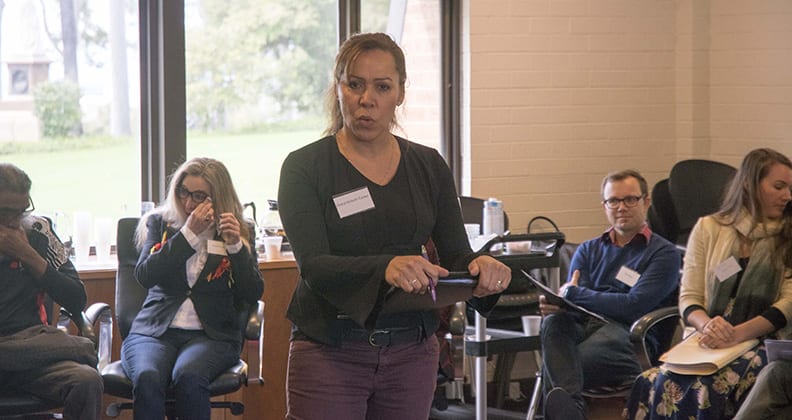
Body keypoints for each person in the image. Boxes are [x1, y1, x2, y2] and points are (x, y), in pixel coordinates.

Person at [278, 32, 511, 420]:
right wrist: (386, 266)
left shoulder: (429, 165)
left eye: (382, 87)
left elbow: (456, 252)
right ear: (338, 88)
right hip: (331, 350)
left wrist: (481, 266)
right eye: (355, 84)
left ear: (400, 93)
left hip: (412, 353)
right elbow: (314, 266)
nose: (367, 99)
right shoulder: (305, 167)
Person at [627, 148, 792, 420]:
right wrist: (708, 324)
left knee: (710, 383)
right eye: (778, 186)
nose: (787, 196)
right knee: (656, 379)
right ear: (750, 185)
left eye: (789, 188)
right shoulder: (709, 228)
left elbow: (787, 304)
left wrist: (738, 333)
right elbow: (689, 296)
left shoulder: (786, 235)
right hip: (708, 337)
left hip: (762, 338)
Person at [121, 157, 264, 420]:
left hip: (212, 335)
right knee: (147, 376)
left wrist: (235, 248)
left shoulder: (238, 229)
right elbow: (144, 275)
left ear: (218, 198)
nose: (188, 203)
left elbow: (252, 293)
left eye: (199, 196)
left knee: (189, 376)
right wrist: (188, 234)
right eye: (183, 192)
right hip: (154, 331)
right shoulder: (161, 224)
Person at [539, 169, 680, 420]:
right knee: (553, 324)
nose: (621, 207)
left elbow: (633, 307)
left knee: (563, 362)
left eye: (630, 199)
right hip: (584, 327)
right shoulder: (588, 250)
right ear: (604, 206)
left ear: (646, 202)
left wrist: (575, 294)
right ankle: (573, 411)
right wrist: (559, 305)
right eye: (613, 201)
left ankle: (566, 411)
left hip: (630, 334)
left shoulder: (664, 254)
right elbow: (574, 303)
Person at [0, 163, 103, 420]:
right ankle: (75, 348)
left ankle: (65, 350)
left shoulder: (38, 231)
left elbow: (77, 298)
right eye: (5, 212)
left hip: (34, 346)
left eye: (21, 211)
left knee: (87, 380)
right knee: (80, 351)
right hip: (28, 347)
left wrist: (29, 256)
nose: (14, 221)